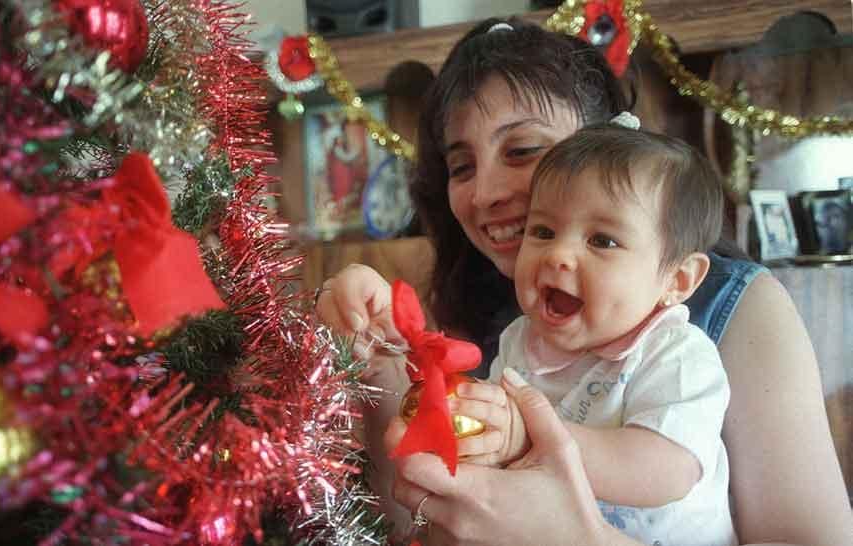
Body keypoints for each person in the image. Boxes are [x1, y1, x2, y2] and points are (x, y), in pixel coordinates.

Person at [315, 16, 853, 546]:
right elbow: (412, 520)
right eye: (462, 167)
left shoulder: (712, 323)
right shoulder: (503, 321)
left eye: (522, 150)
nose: (484, 194)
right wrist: (379, 358)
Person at [454, 121, 735, 545]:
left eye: (603, 240)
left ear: (677, 280)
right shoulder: (520, 341)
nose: (558, 255)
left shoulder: (674, 354)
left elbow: (664, 470)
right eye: (543, 231)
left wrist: (527, 437)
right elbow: (498, 442)